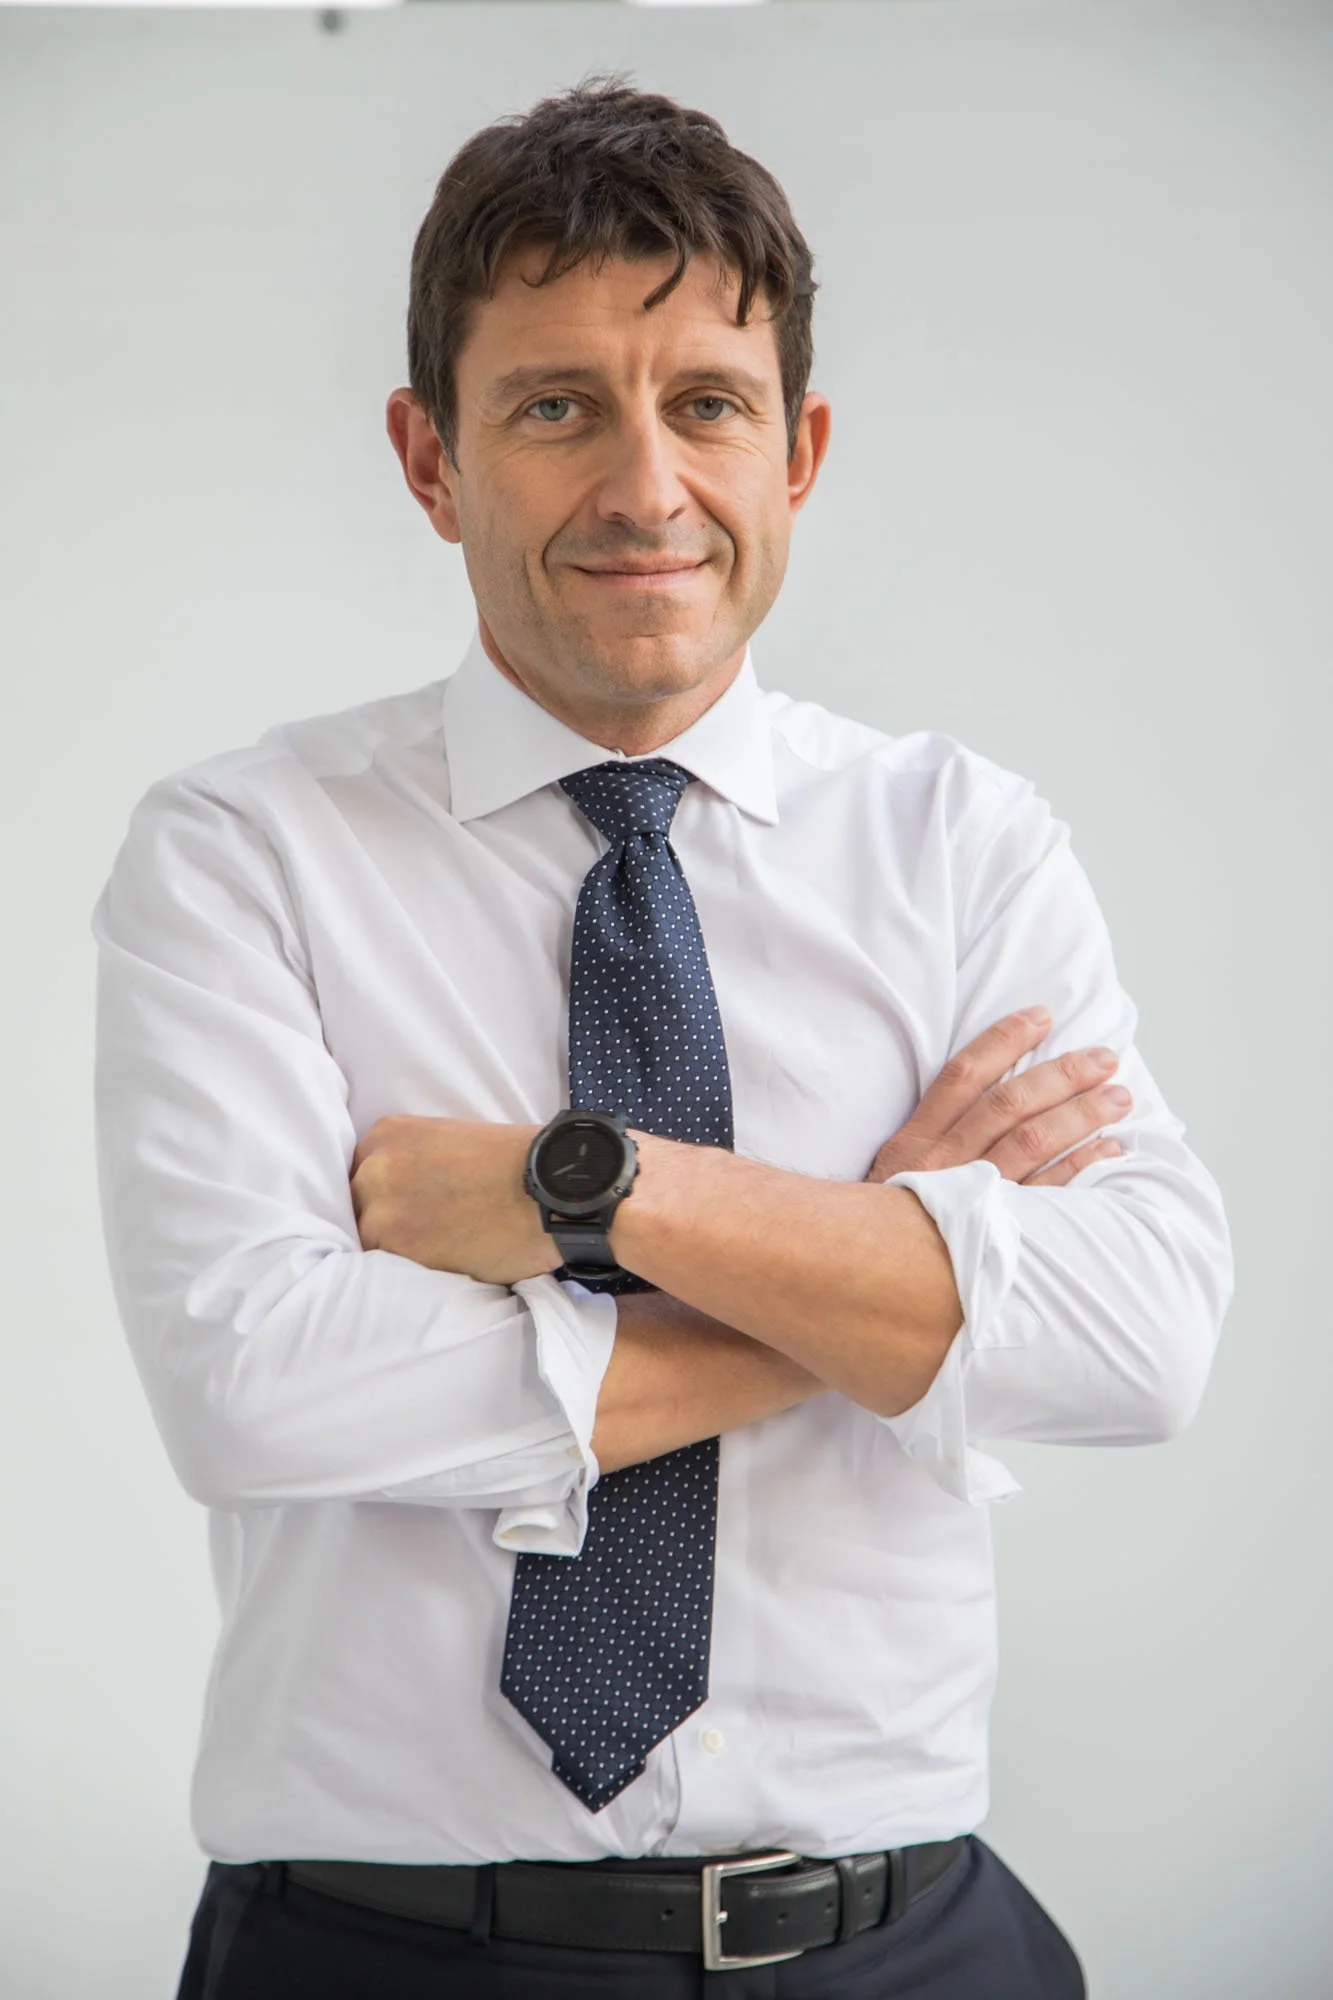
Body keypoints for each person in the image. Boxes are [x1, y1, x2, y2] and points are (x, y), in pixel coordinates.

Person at [91, 74, 1233, 2000]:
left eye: (706, 403)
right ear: (429, 457)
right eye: (554, 407)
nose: (644, 486)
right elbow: (258, 1387)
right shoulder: (243, 854)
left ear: (799, 452)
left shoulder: (965, 844)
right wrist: (878, 1264)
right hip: (386, 1954)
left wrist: (592, 1193)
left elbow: (1143, 1338)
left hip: (912, 1944)